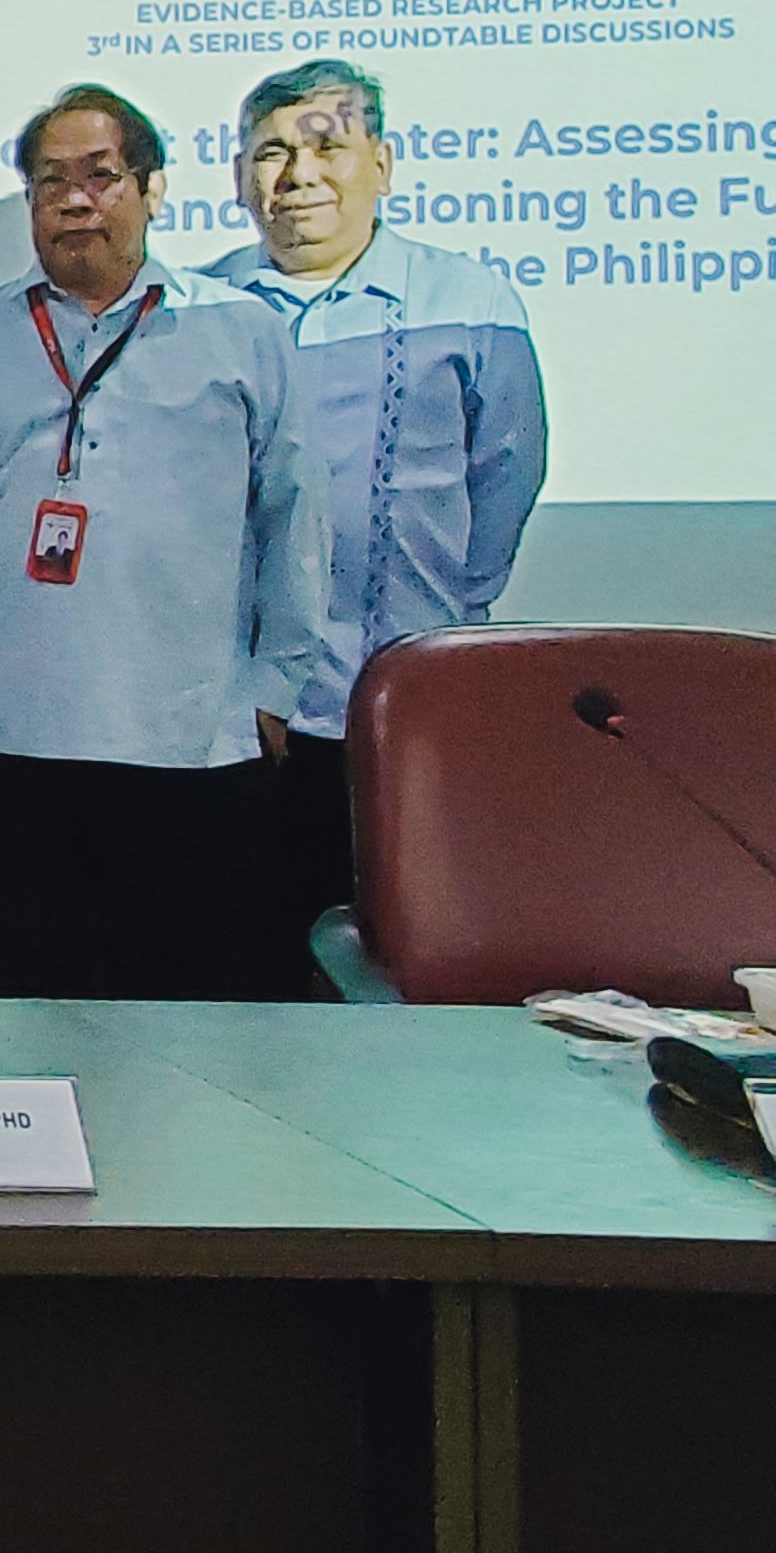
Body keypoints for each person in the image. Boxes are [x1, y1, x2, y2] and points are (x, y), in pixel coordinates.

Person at [0, 86, 332, 1000]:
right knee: (29, 1019)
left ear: (153, 189)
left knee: (191, 1035)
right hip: (15, 742)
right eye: (51, 182)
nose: (75, 200)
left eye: (101, 176)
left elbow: (296, 517)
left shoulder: (240, 330)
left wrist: (280, 681)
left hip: (196, 744)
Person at [208, 57, 548, 937]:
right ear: (241, 178)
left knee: (401, 947)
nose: (298, 176)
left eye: (326, 147)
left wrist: (443, 610)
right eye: (271, 152)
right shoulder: (197, 307)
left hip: (403, 701)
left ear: (383, 166)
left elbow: (506, 476)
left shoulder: (469, 302)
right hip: (238, 718)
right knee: (244, 957)